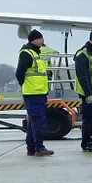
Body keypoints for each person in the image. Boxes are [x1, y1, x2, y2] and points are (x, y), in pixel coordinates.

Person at [15, 29, 54, 157]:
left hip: (39, 93)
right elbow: (19, 73)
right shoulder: (27, 54)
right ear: (34, 40)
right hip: (33, 94)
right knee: (38, 122)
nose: (42, 41)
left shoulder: (35, 53)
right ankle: (39, 148)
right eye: (40, 39)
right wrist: (26, 86)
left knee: (33, 121)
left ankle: (32, 148)